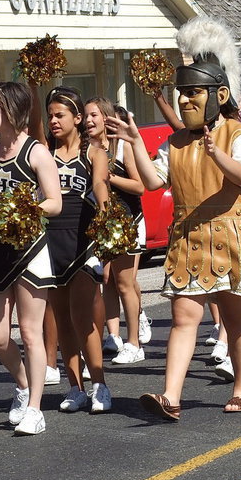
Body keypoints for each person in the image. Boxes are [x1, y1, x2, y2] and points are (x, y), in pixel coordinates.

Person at [111, 16, 241, 419]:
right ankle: (171, 397)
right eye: (181, 93)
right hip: (189, 239)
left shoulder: (239, 134)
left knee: (235, 317)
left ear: (220, 94)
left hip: (232, 235)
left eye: (193, 92)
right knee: (183, 316)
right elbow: (151, 183)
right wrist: (132, 145)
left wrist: (218, 155)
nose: (184, 100)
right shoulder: (175, 142)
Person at [0, 81, 62, 435]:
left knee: (30, 332)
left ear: (7, 109)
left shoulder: (36, 152)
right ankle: (23, 384)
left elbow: (55, 202)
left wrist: (24, 211)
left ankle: (36, 409)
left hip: (31, 249)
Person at [29, 85, 113, 414]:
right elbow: (34, 120)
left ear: (77, 118)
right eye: (50, 115)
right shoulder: (43, 151)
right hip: (50, 241)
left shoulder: (93, 152)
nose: (53, 121)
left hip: (84, 240)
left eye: (60, 115)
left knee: (83, 316)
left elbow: (100, 190)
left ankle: (100, 384)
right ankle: (75, 386)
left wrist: (107, 231)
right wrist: (35, 83)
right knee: (61, 318)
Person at [84, 98, 151, 364]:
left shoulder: (121, 145)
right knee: (107, 281)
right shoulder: (85, 148)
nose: (89, 120)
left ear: (106, 117)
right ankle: (113, 336)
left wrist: (107, 177)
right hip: (101, 224)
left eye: (94, 115)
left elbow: (139, 187)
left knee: (124, 283)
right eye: (86, 116)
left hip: (128, 221)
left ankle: (135, 342)